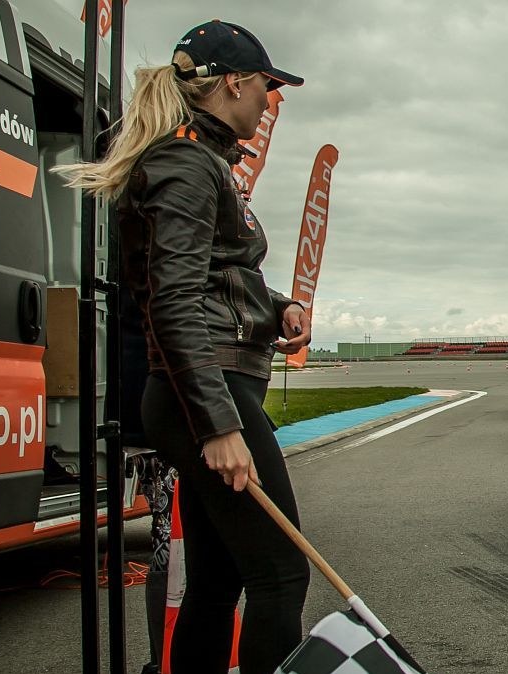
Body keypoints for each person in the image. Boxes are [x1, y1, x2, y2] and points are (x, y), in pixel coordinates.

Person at [57, 20, 311, 674]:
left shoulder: (205, 160)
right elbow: (169, 301)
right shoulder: (185, 163)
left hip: (212, 387)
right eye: (265, 85)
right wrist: (217, 424)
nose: (268, 98)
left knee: (220, 580)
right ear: (233, 82)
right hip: (205, 392)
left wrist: (278, 309)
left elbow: (208, 277)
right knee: (282, 574)